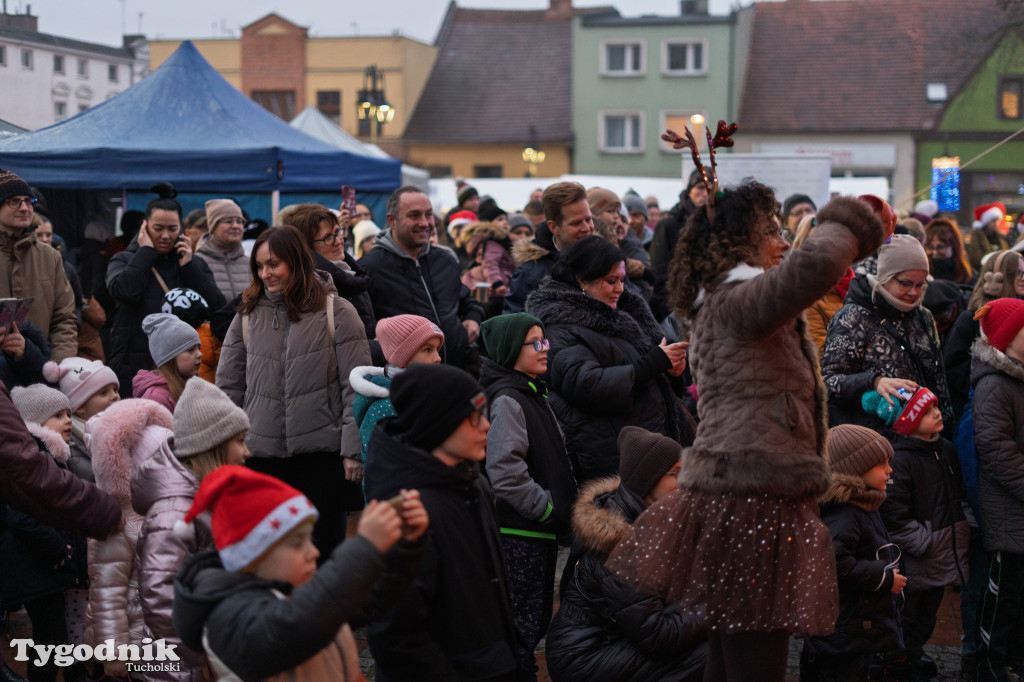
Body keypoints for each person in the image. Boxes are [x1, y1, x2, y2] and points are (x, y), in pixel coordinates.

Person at [606, 185, 888, 682]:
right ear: (738, 242)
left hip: (748, 494)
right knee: (754, 656)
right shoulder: (736, 298)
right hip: (750, 499)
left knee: (732, 655)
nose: (783, 241)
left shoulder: (729, 299)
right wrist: (852, 222)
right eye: (770, 231)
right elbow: (812, 268)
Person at [173, 465, 427, 681]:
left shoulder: (293, 586)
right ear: (255, 555)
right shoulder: (227, 617)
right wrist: (364, 549)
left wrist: (405, 547)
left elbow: (367, 601)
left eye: (310, 540)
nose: (313, 552)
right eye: (297, 543)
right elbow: (295, 626)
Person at [364, 364, 527, 682]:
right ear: (438, 424)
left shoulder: (473, 482)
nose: (487, 426)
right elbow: (395, 635)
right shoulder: (407, 508)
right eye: (473, 417)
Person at [216, 225, 371, 558]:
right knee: (269, 557)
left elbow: (355, 388)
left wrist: (352, 451)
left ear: (296, 261)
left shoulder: (338, 312)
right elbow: (228, 388)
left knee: (321, 555)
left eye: (274, 264)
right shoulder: (247, 314)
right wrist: (226, 450)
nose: (265, 274)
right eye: (259, 266)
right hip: (260, 459)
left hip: (321, 461)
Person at [545, 426, 706, 682]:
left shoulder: (654, 515)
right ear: (647, 480)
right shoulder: (618, 541)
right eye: (676, 473)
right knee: (709, 651)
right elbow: (657, 636)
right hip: (584, 655)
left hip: (614, 638)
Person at [526, 235, 688, 483]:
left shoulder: (623, 310)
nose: (620, 288)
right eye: (611, 281)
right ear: (582, 280)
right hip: (610, 454)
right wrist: (653, 363)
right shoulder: (558, 326)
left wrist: (671, 369)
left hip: (644, 442)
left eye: (622, 280)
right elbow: (587, 385)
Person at [478, 313, 577, 674]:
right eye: (534, 343)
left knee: (533, 622)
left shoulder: (532, 392)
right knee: (520, 626)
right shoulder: (508, 399)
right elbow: (505, 472)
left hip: (537, 531)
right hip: (520, 533)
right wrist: (547, 509)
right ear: (509, 349)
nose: (544, 348)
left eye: (544, 340)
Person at [865, 387, 970, 680]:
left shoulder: (945, 449)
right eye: (926, 411)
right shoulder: (899, 459)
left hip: (941, 553)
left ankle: (913, 654)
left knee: (927, 616)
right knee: (907, 615)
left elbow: (957, 493)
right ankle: (898, 662)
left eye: (935, 406)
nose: (937, 413)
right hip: (917, 556)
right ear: (909, 420)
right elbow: (893, 512)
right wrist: (925, 542)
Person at [799, 424, 906, 682]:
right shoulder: (845, 514)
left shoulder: (864, 504)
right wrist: (884, 578)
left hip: (853, 631)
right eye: (881, 464)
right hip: (841, 636)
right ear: (855, 470)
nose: (889, 470)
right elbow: (834, 564)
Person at [821, 234, 953, 433]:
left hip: (926, 436)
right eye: (905, 283)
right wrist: (874, 381)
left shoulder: (923, 316)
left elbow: (939, 380)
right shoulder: (854, 316)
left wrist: (947, 427)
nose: (914, 292)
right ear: (885, 277)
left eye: (920, 284)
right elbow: (828, 383)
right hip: (877, 438)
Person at [4, 385, 90, 682]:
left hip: (45, 564)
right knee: (50, 639)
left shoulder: (55, 457)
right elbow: (20, 516)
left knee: (53, 638)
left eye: (68, 413)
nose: (67, 420)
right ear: (35, 421)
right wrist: (59, 549)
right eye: (58, 415)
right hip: (34, 563)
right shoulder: (33, 458)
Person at [82, 398, 172, 681]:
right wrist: (113, 652)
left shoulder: (165, 511)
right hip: (128, 647)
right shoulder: (117, 524)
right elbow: (107, 594)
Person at [106, 184, 225, 397]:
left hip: (185, 370)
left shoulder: (193, 264)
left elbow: (217, 308)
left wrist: (190, 268)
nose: (165, 235)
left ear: (181, 228)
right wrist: (146, 252)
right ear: (144, 227)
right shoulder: (124, 259)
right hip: (133, 365)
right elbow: (124, 291)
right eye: (158, 228)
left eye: (172, 229)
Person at [359, 187, 484, 368]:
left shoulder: (446, 260)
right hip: (408, 380)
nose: (424, 223)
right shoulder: (369, 268)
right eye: (414, 215)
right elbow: (363, 331)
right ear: (392, 220)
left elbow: (464, 298)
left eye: (429, 215)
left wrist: (473, 317)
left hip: (457, 372)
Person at [969, 298, 1024, 682]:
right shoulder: (994, 384)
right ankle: (988, 666)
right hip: (1007, 509)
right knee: (1003, 596)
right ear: (1008, 338)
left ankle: (1014, 662)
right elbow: (996, 451)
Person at [0, 168, 77, 362]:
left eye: (29, 201)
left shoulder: (50, 257)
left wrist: (56, 367)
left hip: (40, 370)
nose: (24, 208)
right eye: (14, 201)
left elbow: (65, 319)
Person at [351, 314, 444, 463]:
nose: (438, 357)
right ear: (403, 358)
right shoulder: (385, 407)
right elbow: (380, 467)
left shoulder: (433, 391)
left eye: (437, 349)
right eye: (428, 349)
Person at [944, 250, 1024, 420]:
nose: (1023, 278)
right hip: (982, 408)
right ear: (996, 277)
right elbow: (954, 369)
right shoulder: (972, 318)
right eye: (1018, 273)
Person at [283, 202, 376, 339]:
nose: (338, 241)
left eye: (338, 232)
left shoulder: (349, 272)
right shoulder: (312, 287)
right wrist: (378, 346)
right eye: (328, 237)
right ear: (307, 247)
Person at [504, 182, 595, 314]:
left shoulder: (606, 261)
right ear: (554, 227)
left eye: (588, 220)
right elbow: (513, 320)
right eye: (576, 223)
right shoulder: (530, 273)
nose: (586, 228)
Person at [648, 169, 707, 321]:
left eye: (710, 188)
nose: (705, 193)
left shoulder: (717, 225)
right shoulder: (669, 225)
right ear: (689, 191)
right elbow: (659, 274)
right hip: (675, 309)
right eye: (700, 187)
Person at [49, 356, 120, 483]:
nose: (114, 396)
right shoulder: (71, 445)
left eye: (115, 390)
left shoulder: (124, 425)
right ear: (81, 406)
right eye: (103, 393)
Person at [133, 313, 202, 412]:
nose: (200, 354)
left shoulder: (195, 385)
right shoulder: (156, 398)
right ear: (169, 358)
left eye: (199, 348)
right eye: (191, 350)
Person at [195, 199, 251, 302]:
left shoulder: (250, 263)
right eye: (228, 221)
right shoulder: (197, 262)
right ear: (213, 226)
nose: (235, 226)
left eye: (239, 222)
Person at [460, 220, 517, 317]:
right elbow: (490, 264)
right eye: (500, 219)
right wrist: (497, 283)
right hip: (496, 290)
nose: (505, 222)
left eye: (505, 219)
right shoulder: (492, 244)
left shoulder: (489, 244)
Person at [925, 217, 973, 290]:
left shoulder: (967, 275)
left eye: (940, 247)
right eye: (930, 247)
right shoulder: (923, 275)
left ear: (954, 247)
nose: (935, 252)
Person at [966, 202, 1010, 273]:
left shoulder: (1001, 236)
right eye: (993, 220)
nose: (996, 223)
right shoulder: (978, 235)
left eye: (997, 220)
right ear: (987, 222)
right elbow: (975, 257)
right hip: (984, 271)